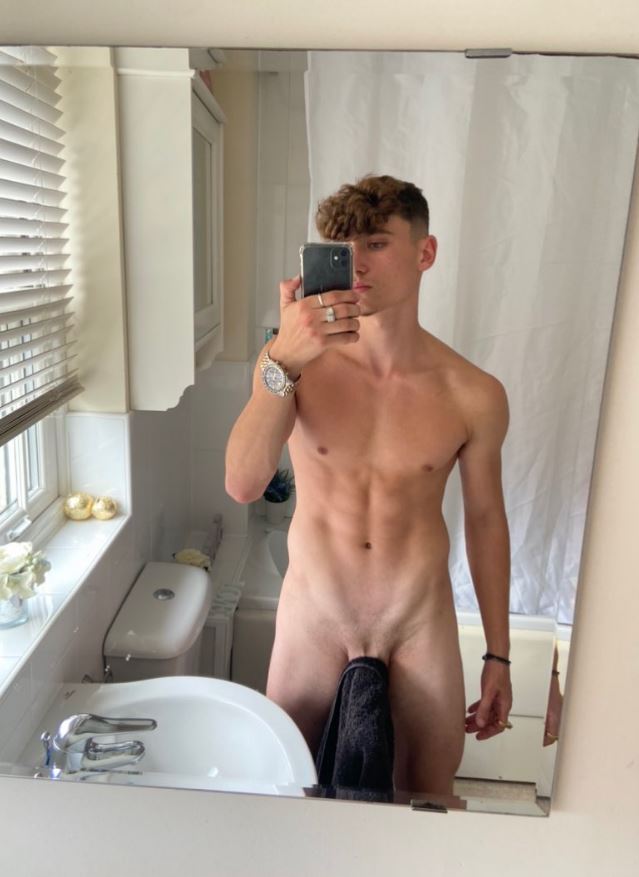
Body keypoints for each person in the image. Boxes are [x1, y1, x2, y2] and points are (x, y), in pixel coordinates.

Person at [225, 174, 512, 795]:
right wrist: (282, 359)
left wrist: (498, 654)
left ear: (425, 253)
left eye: (377, 244)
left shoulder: (473, 394)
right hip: (316, 613)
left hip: (418, 619)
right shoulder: (291, 365)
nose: (356, 264)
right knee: (290, 791)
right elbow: (244, 483)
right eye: (344, 247)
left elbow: (487, 521)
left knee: (428, 797)